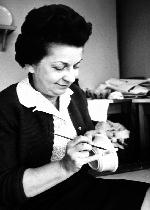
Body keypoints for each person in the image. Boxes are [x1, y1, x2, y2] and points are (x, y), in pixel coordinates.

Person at [0, 4, 149, 210]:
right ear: (30, 63)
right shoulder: (7, 106)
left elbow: (86, 138)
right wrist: (64, 166)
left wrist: (98, 138)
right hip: (33, 204)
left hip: (80, 190)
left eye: (76, 65)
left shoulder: (74, 95)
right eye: (59, 67)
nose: (70, 77)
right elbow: (5, 189)